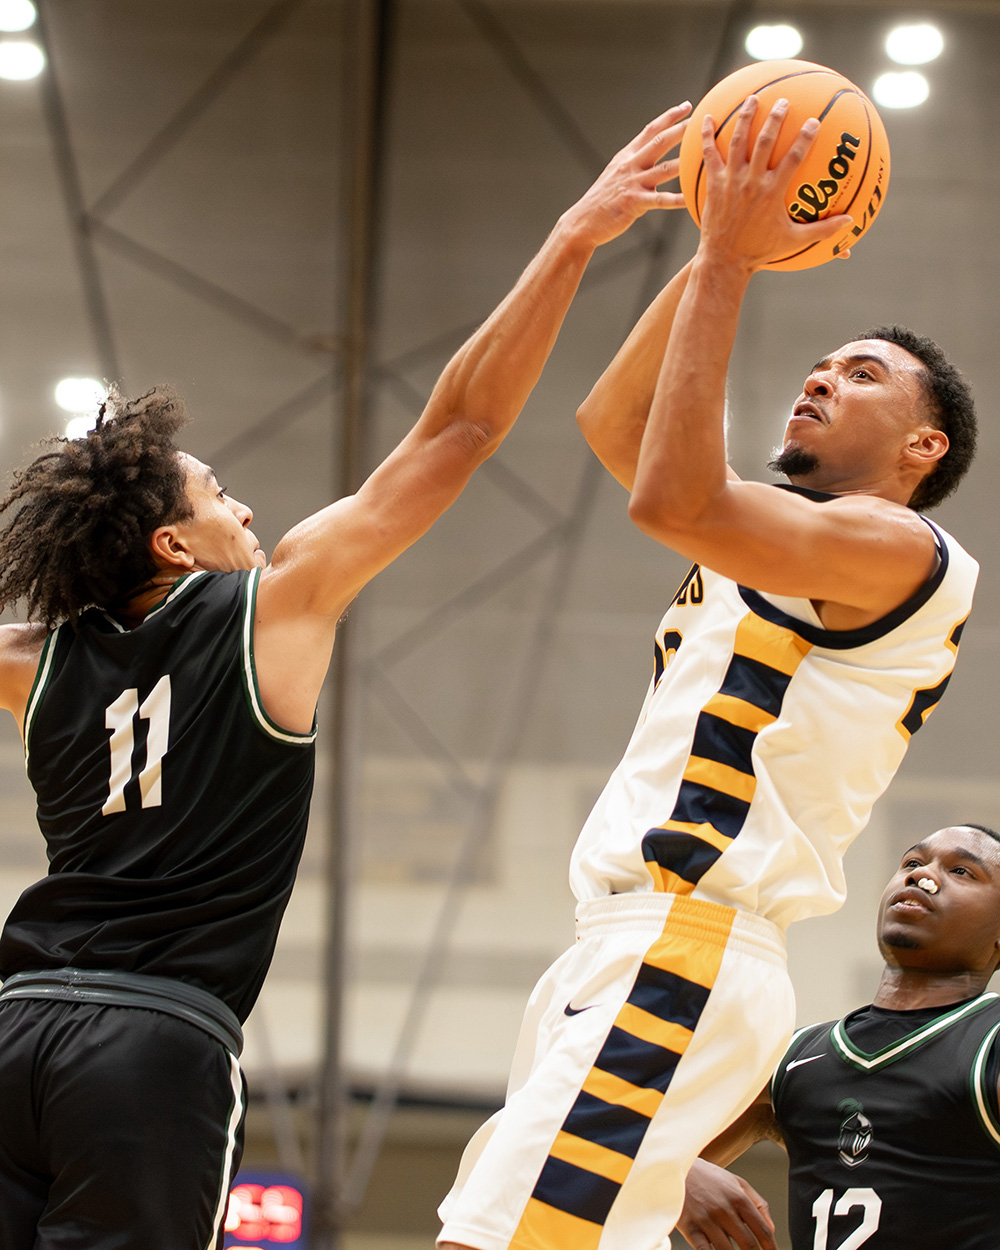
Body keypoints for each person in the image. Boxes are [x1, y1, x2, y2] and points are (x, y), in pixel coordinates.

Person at [0, 104, 692, 1250]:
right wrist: (573, 235)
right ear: (174, 545)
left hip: (15, 1024)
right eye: (220, 494)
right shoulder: (273, 604)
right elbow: (459, 428)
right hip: (151, 1041)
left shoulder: (34, 661)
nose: (249, 508)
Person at [438, 98, 979, 1250]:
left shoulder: (903, 551)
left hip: (690, 942)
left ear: (922, 448)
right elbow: (614, 422)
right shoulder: (775, 532)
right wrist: (712, 250)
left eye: (864, 373)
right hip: (620, 941)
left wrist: (737, 255)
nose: (822, 376)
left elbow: (668, 495)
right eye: (822, 361)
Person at [676, 822, 1000, 1250]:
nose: (921, 876)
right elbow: (622, 1164)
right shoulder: (793, 1055)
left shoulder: (988, 1039)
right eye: (913, 862)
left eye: (962, 872)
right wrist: (677, 1176)